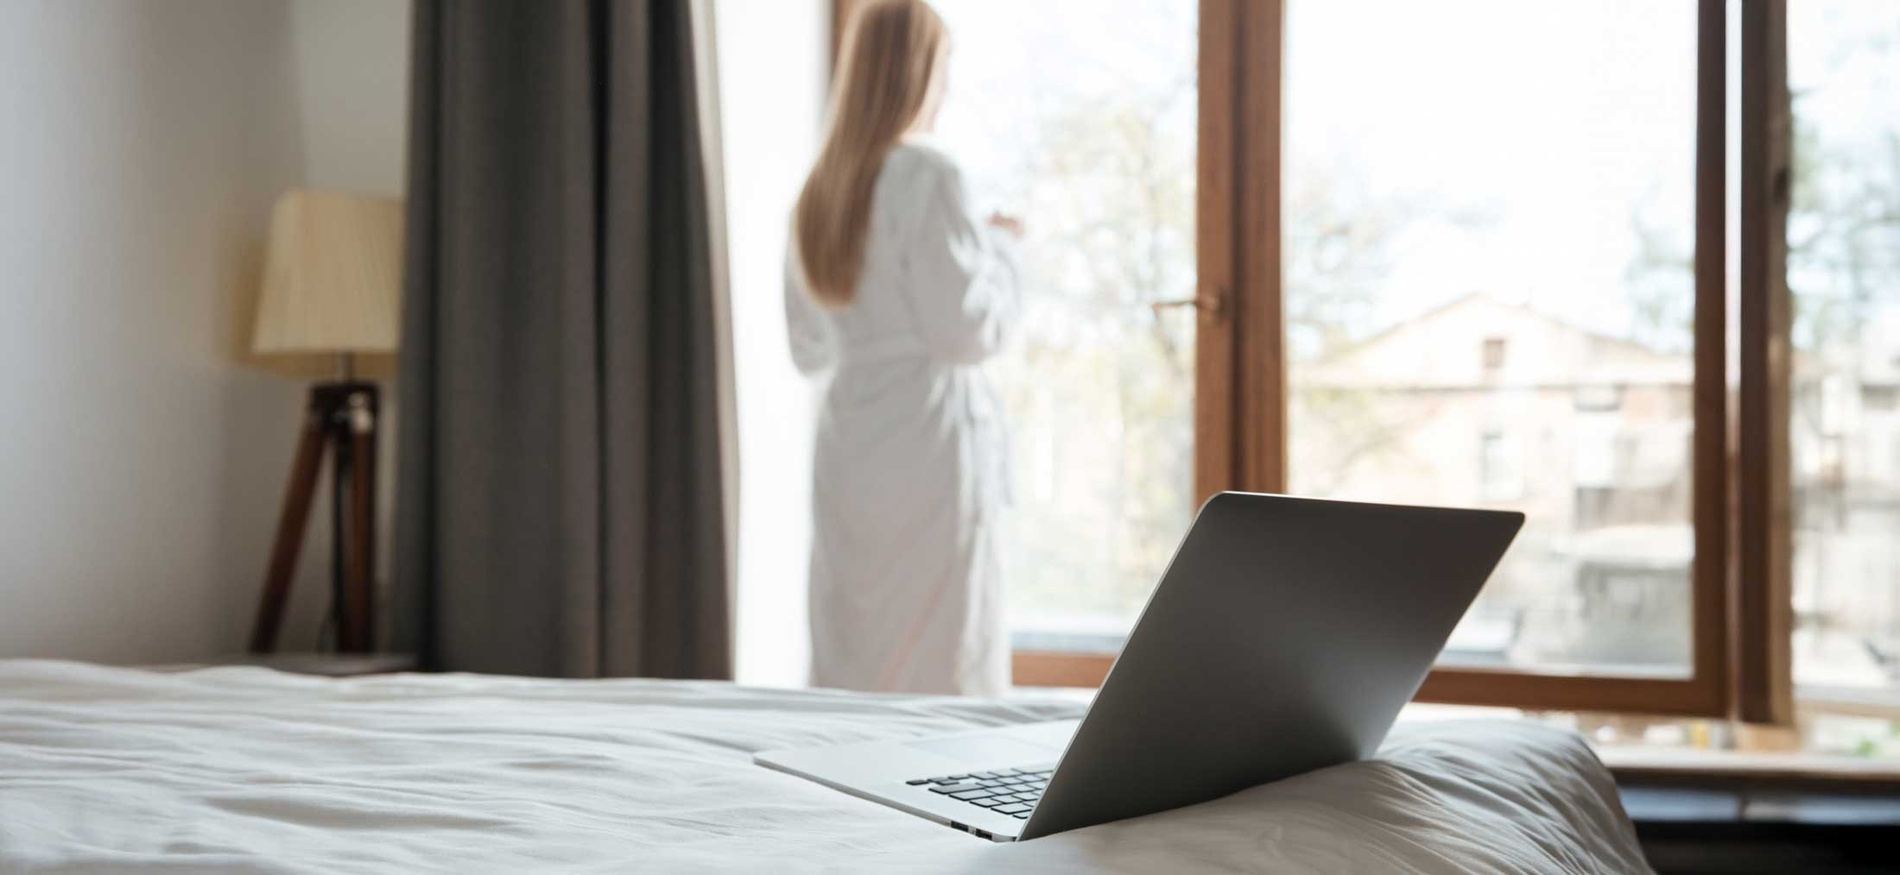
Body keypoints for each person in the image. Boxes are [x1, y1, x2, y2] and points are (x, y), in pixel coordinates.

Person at [784, 0, 1022, 696]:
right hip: (927, 435)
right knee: (941, 639)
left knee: (851, 634)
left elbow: (807, 348)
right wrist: (1002, 251)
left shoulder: (817, 193)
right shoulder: (927, 176)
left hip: (850, 437)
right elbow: (966, 332)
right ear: (919, 71)